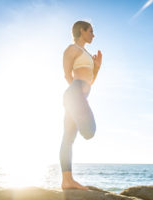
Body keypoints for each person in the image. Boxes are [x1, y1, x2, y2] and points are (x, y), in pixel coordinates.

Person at [59, 20, 102, 190]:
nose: (93, 34)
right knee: (89, 132)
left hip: (79, 96)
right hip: (74, 94)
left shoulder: (86, 53)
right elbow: (67, 75)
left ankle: (67, 180)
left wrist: (97, 67)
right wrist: (77, 95)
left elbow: (90, 81)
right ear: (81, 31)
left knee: (68, 138)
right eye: (91, 31)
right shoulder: (72, 49)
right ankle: (67, 180)